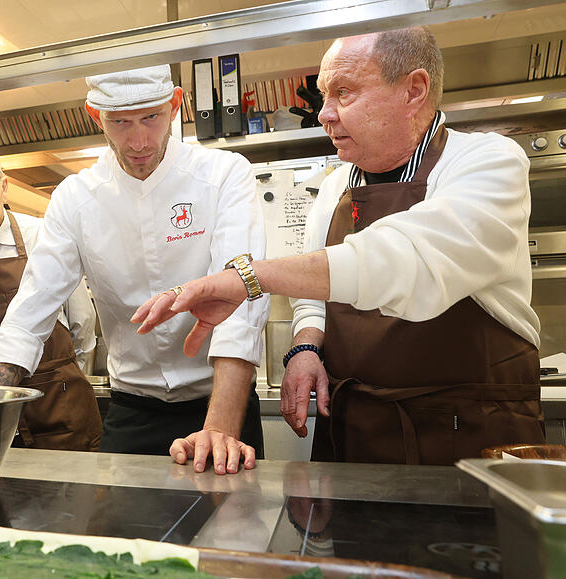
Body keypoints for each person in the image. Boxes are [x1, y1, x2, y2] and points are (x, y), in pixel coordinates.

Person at [133, 27, 545, 466]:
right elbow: (313, 302)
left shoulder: (488, 161)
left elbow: (408, 260)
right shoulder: (334, 189)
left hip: (472, 434)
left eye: (343, 93)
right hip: (358, 429)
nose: (324, 114)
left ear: (414, 90)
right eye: (325, 95)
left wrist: (250, 278)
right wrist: (306, 347)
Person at [0, 65, 268, 474]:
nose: (139, 141)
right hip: (133, 410)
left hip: (221, 401)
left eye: (151, 117)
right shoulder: (75, 198)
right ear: (95, 116)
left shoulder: (223, 175)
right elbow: (29, 315)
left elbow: (241, 296)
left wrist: (219, 429)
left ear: (175, 104)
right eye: (119, 122)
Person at [0, 151, 103, 451]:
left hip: (57, 402)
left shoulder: (43, 235)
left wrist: (63, 377)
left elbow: (82, 321)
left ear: (4, 187)